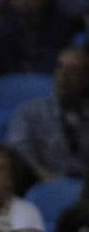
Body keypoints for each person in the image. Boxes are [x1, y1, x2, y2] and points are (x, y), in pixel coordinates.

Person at [6, 45, 87, 180]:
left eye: (73, 70)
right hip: (44, 185)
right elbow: (19, 152)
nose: (64, 75)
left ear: (85, 78)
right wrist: (46, 177)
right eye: (60, 67)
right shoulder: (29, 112)